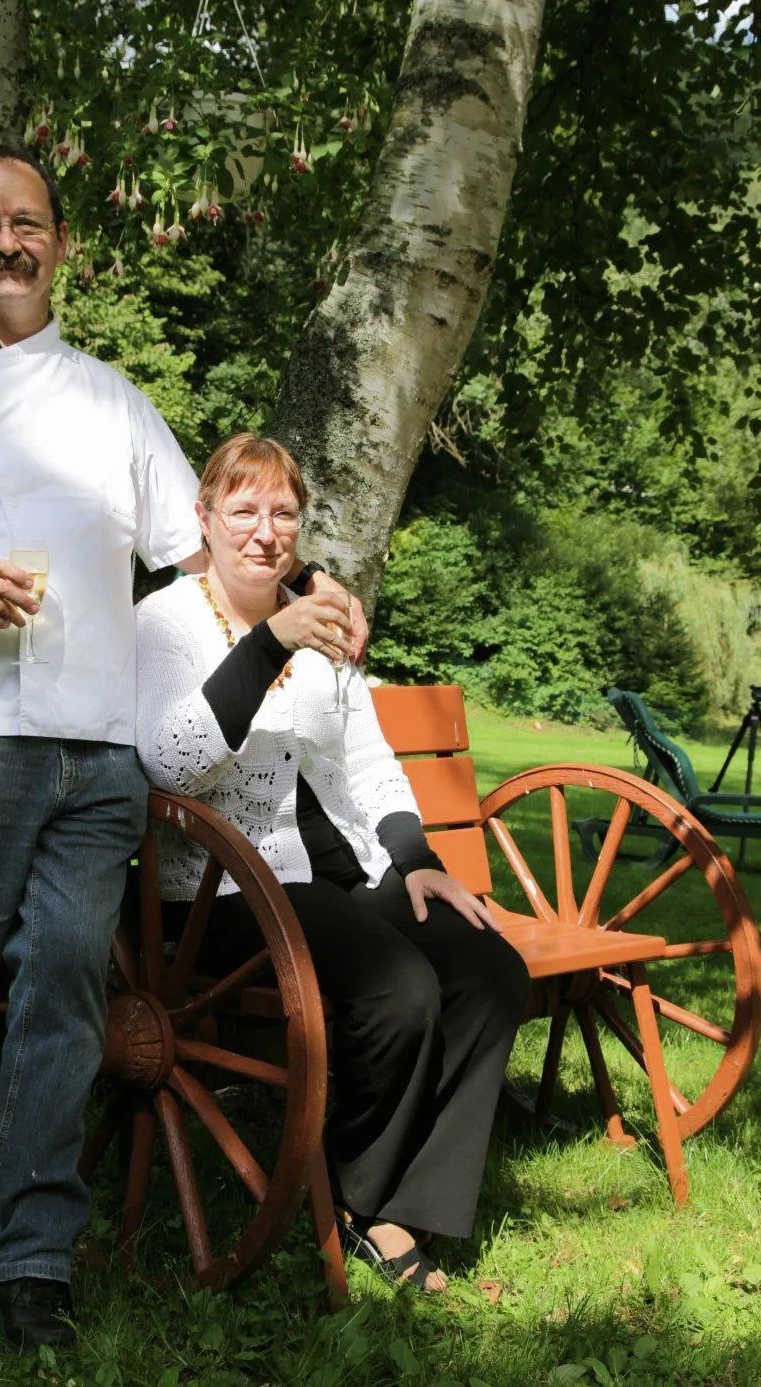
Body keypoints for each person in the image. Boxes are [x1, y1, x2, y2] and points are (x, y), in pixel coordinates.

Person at [0, 147, 357, 1348]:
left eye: (28, 224)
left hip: (98, 755)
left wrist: (310, 586)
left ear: (62, 243)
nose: (7, 242)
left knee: (68, 988)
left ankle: (30, 1250)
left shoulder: (115, 401)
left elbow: (198, 549)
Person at [135, 434, 530, 1293]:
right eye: (242, 511)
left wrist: (416, 860)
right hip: (230, 889)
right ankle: (370, 1209)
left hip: (344, 874)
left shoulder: (322, 622)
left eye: (283, 513)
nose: (264, 532)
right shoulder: (164, 624)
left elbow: (369, 760)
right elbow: (171, 763)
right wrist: (270, 641)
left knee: (488, 969)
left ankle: (400, 1193)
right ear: (204, 520)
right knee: (399, 988)